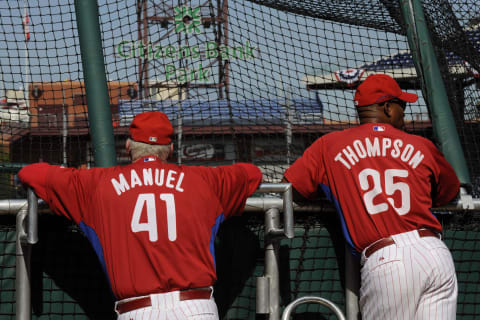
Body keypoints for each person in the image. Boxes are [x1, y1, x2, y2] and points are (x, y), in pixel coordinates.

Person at [18, 111, 262, 319]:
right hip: (197, 307)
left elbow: (31, 173)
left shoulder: (95, 184)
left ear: (128, 147)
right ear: (171, 149)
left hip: (137, 310)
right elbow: (251, 174)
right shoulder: (205, 180)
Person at [282, 74, 460, 319]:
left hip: (388, 259)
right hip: (434, 252)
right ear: (387, 107)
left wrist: (337, 194)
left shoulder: (329, 145)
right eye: (402, 106)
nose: (404, 114)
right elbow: (450, 192)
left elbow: (289, 189)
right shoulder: (421, 145)